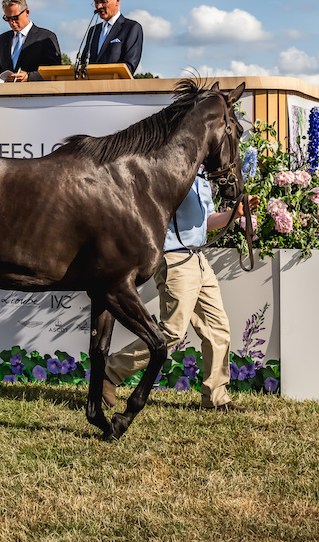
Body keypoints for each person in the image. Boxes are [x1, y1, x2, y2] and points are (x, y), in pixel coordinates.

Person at [102, 175, 259, 412]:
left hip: (198, 258)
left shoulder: (202, 180)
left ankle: (215, 398)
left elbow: (206, 222)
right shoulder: (173, 175)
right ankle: (110, 372)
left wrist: (235, 214)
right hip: (174, 258)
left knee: (218, 329)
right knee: (172, 332)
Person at [0, 0, 62, 82]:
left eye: (15, 17)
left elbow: (55, 71)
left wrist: (29, 77)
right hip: (6, 94)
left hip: (35, 93)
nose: (12, 22)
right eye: (7, 18)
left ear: (27, 12)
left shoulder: (46, 37)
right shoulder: (1, 40)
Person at [84, 0, 143, 75]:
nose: (99, 6)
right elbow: (83, 64)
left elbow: (129, 66)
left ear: (117, 0)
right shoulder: (93, 31)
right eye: (96, 2)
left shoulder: (132, 28)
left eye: (103, 2)